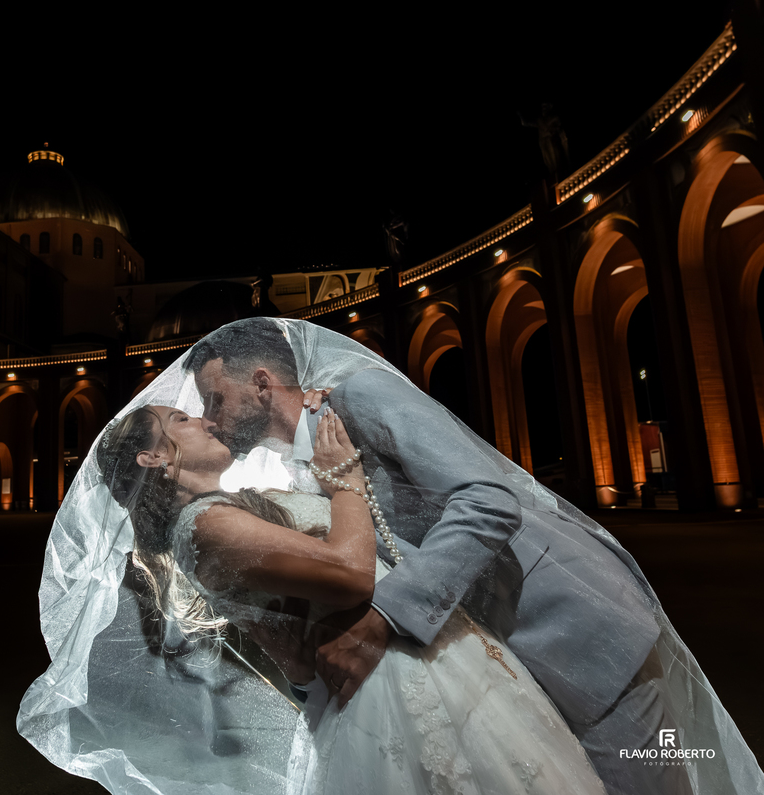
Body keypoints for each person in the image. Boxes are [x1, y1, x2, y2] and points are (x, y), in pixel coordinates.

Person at [184, 318, 764, 795]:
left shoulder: (361, 398)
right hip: (498, 670)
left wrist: (384, 617)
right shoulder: (304, 469)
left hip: (575, 631)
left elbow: (488, 499)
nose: (209, 417)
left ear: (262, 383)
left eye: (215, 398)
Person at [90, 400, 608, 794]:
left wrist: (310, 405)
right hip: (386, 678)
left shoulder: (235, 507)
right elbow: (351, 573)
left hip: (412, 654)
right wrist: (344, 483)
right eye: (181, 419)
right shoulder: (203, 526)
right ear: (153, 456)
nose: (205, 421)